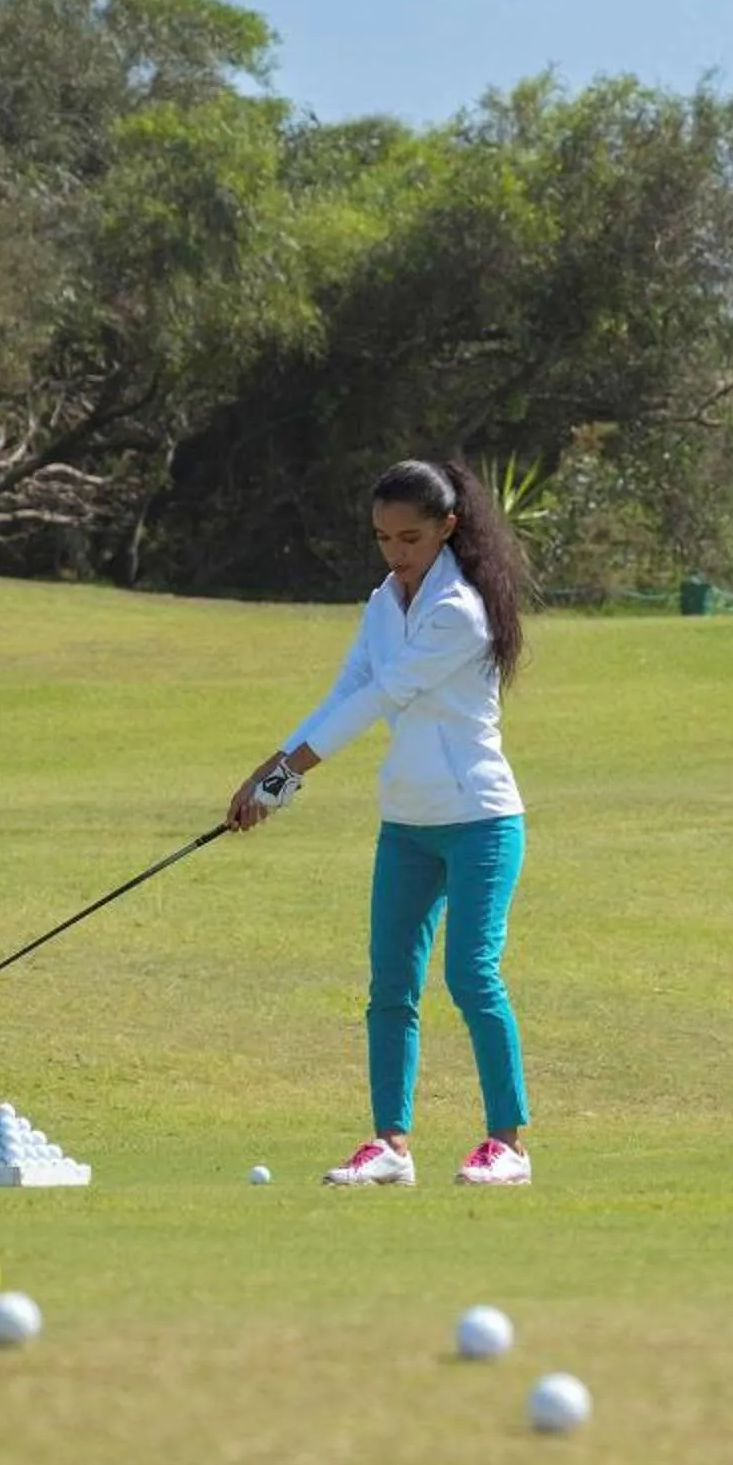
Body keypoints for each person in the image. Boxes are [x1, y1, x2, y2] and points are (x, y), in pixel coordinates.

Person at [228, 457, 537, 1188]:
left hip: (480, 820)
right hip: (406, 822)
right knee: (391, 986)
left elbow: (380, 702)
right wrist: (270, 777)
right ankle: (390, 1145)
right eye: (383, 539)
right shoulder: (382, 604)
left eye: (411, 539)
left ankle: (508, 1145)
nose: (396, 554)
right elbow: (345, 692)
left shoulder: (459, 611)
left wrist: (284, 776)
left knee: (471, 975)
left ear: (447, 530)